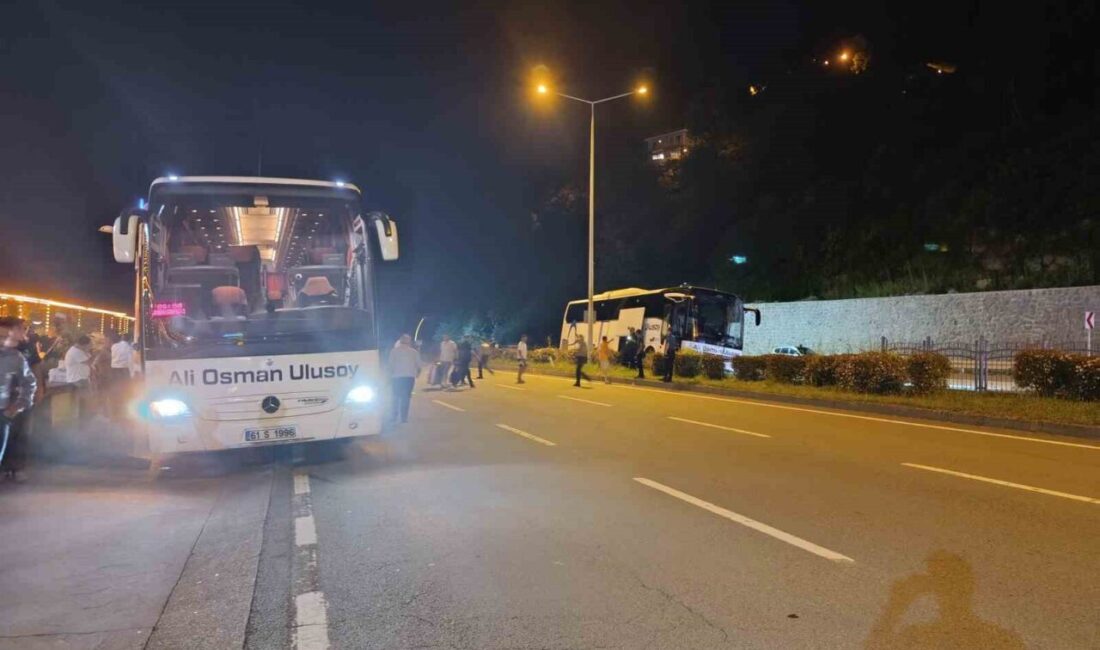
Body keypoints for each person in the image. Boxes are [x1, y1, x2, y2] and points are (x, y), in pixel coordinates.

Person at [0, 317, 37, 479]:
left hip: (6, 409)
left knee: (20, 435)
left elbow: (30, 381)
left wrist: (16, 407)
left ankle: (15, 467)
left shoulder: (17, 356)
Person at [388, 334, 421, 424]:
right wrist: (417, 374)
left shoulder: (394, 351)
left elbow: (390, 365)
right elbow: (418, 365)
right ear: (409, 342)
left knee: (395, 397)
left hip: (396, 377)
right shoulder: (414, 352)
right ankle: (404, 418)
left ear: (400, 341)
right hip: (409, 378)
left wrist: (389, 376)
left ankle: (394, 416)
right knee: (406, 398)